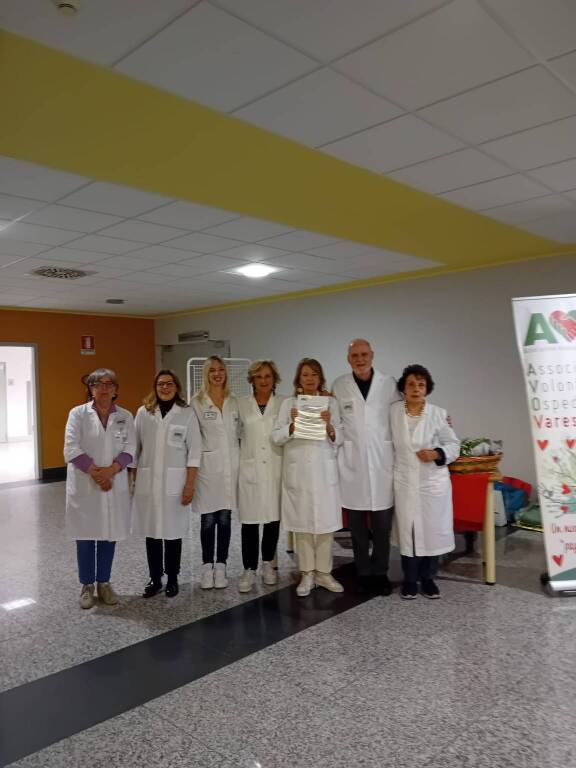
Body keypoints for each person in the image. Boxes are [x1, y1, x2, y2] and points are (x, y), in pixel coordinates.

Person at [63, 368, 135, 609]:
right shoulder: (78, 414)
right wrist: (98, 474)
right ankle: (86, 585)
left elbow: (131, 449)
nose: (104, 388)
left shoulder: (125, 416)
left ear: (115, 389)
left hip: (113, 482)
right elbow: (71, 448)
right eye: (98, 384)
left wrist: (110, 471)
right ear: (91, 389)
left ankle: (104, 583)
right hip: (86, 484)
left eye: (109, 384)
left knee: (109, 534)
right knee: (85, 536)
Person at [332, 339, 399, 595]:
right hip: (353, 465)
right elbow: (336, 423)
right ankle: (363, 571)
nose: (359, 359)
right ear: (348, 359)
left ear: (372, 355)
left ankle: (380, 572)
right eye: (354, 356)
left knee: (382, 526)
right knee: (357, 527)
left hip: (382, 463)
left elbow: (401, 415)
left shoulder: (389, 384)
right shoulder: (339, 385)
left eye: (363, 354)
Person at [272, 358, 343, 597]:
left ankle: (324, 573)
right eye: (305, 375)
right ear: (298, 379)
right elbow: (276, 437)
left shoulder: (331, 403)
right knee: (302, 525)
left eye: (314, 374)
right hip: (299, 472)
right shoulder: (289, 404)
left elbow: (341, 436)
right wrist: (292, 425)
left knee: (325, 525)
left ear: (320, 378)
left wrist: (329, 425)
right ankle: (307, 573)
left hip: (323, 472)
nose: (310, 379)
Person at [391, 364, 460, 600]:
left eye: (421, 385)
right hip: (404, 481)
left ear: (427, 389)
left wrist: (437, 453)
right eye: (411, 384)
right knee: (408, 532)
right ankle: (410, 580)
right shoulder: (393, 412)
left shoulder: (438, 414)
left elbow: (454, 445)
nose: (416, 388)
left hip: (432, 482)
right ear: (403, 388)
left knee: (432, 531)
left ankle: (429, 579)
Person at [132, 370, 201, 599]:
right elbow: (135, 449)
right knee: (151, 532)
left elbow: (195, 452)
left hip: (176, 483)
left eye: (169, 383)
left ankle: (172, 577)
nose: (165, 387)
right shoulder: (143, 413)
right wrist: (133, 481)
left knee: (173, 533)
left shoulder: (187, 413)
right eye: (160, 384)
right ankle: (155, 578)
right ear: (155, 387)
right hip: (149, 482)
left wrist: (190, 484)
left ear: (176, 386)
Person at [191, 356, 239, 590]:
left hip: (230, 468)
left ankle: (221, 566)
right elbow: (192, 439)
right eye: (212, 370)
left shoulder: (234, 401)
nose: (217, 374)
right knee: (208, 519)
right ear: (206, 374)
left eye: (221, 369)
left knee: (225, 519)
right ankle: (206, 566)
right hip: (207, 469)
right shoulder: (197, 402)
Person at [237, 360, 284, 593]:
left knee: (272, 520)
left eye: (267, 376)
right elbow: (235, 435)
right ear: (252, 380)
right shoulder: (241, 404)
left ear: (274, 379)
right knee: (250, 522)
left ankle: (267, 564)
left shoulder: (284, 403)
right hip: (250, 469)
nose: (263, 381)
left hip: (275, 468)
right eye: (258, 377)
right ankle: (248, 569)